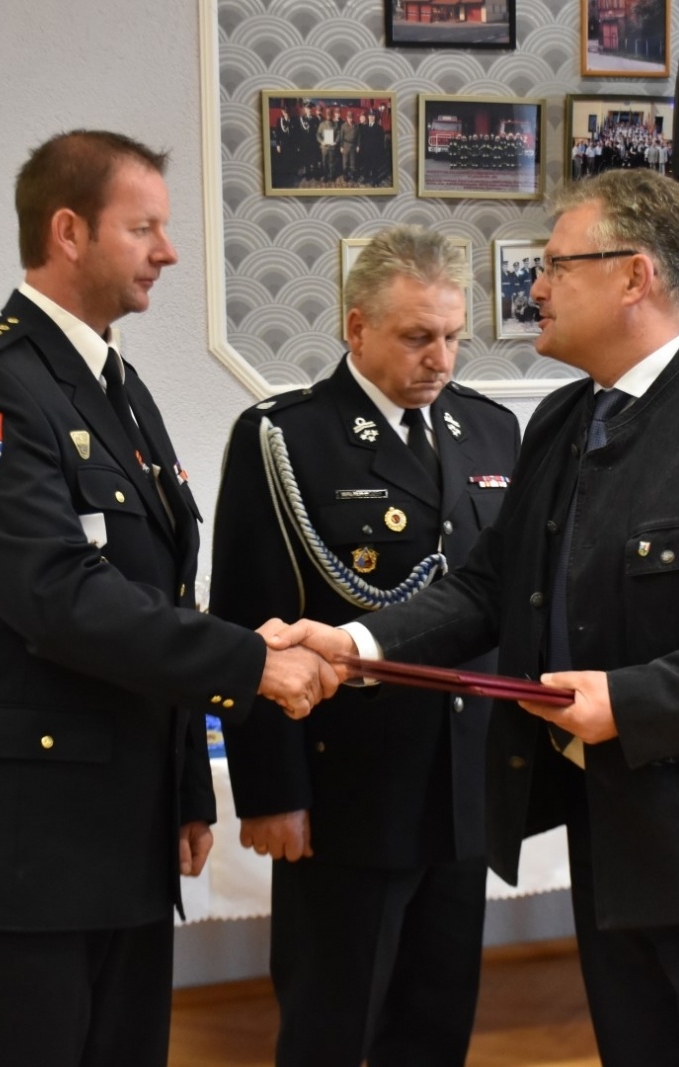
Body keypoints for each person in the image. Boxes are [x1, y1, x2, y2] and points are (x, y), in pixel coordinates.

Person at [269, 168, 679, 1066]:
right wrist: (356, 643)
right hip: (613, 844)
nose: (534, 286)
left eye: (555, 265)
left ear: (635, 276)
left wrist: (630, 700)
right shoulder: (562, 421)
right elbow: (486, 587)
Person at [0, 129, 337, 1067]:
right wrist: (252, 663)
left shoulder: (116, 387)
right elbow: (57, 595)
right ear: (69, 231)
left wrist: (180, 788)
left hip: (118, 833)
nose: (169, 252)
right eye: (146, 229)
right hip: (15, 848)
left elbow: (156, 586)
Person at [210, 226, 520, 1067]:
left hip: (462, 791)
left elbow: (504, 609)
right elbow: (251, 623)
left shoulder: (491, 433)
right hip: (348, 793)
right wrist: (273, 791)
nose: (442, 358)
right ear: (356, 328)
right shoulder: (287, 438)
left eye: (454, 335)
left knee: (436, 1019)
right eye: (418, 337)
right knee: (330, 1024)